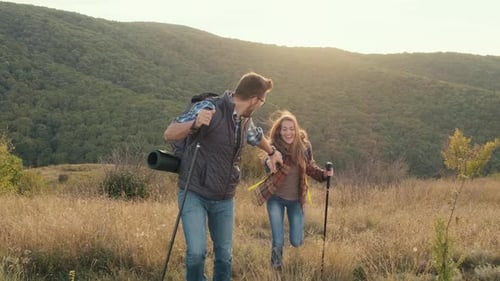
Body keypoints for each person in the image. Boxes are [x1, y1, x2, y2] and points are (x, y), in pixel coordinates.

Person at [163, 72, 283, 281]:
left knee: (224, 257)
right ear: (255, 99)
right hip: (194, 192)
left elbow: (255, 137)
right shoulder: (209, 108)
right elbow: (169, 133)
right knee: (196, 254)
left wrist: (272, 153)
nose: (261, 105)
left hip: (224, 198)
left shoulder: (245, 120)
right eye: (263, 101)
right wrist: (195, 124)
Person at [252, 110, 334, 271]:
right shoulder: (273, 147)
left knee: (296, 241)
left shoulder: (304, 147)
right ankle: (276, 268)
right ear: (279, 130)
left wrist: (324, 174)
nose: (288, 132)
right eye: (284, 129)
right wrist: (268, 163)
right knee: (278, 239)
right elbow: (266, 162)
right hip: (275, 198)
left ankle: (293, 242)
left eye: (291, 128)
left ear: (296, 130)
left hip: (296, 200)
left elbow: (310, 167)